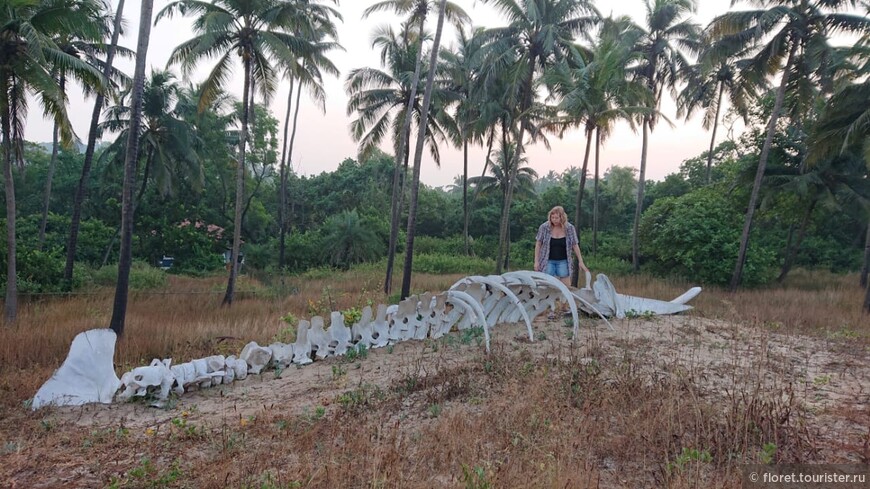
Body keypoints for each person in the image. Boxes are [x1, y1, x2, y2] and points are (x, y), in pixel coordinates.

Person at [534, 206, 589, 288]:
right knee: (544, 285)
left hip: (563, 261)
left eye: (556, 218)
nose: (554, 220)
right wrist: (536, 261)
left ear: (562, 217)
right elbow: (538, 244)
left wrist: (581, 261)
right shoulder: (544, 227)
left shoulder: (569, 228)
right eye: (552, 218)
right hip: (547, 260)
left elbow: (575, 245)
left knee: (566, 286)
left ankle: (564, 300)